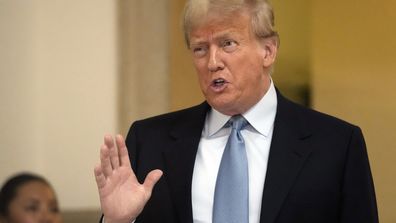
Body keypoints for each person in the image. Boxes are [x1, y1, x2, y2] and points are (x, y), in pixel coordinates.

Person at [94, 0, 379, 222]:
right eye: (200, 49)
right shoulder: (149, 141)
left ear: (268, 50)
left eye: (227, 43)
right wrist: (119, 221)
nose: (212, 62)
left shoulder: (337, 145)